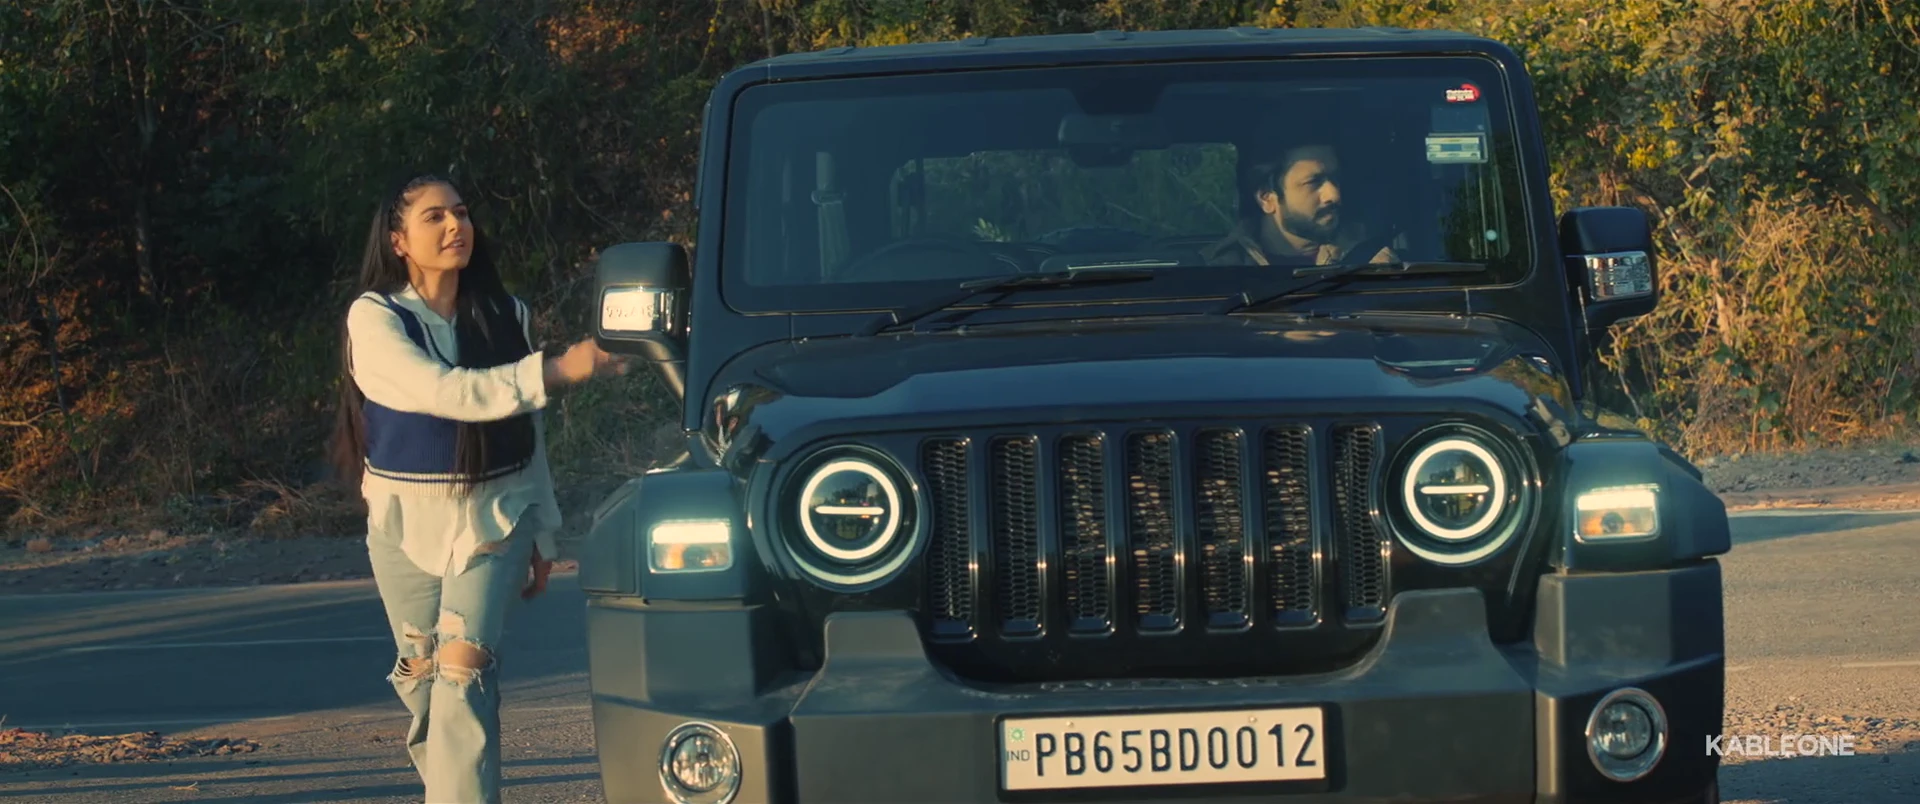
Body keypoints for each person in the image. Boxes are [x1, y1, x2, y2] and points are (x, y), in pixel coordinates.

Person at [328, 174, 626, 803]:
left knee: (462, 676)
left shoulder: (505, 314)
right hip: (403, 523)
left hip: (497, 516)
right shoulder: (376, 317)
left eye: (461, 213)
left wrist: (544, 532)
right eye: (434, 217)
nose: (454, 226)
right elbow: (445, 393)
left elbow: (527, 433)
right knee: (423, 681)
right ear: (398, 240)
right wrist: (557, 369)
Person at [1205, 140, 1399, 268]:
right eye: (1313, 182)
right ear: (1267, 198)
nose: (1334, 195)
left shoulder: (1372, 258)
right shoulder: (1220, 270)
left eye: (1335, 179)